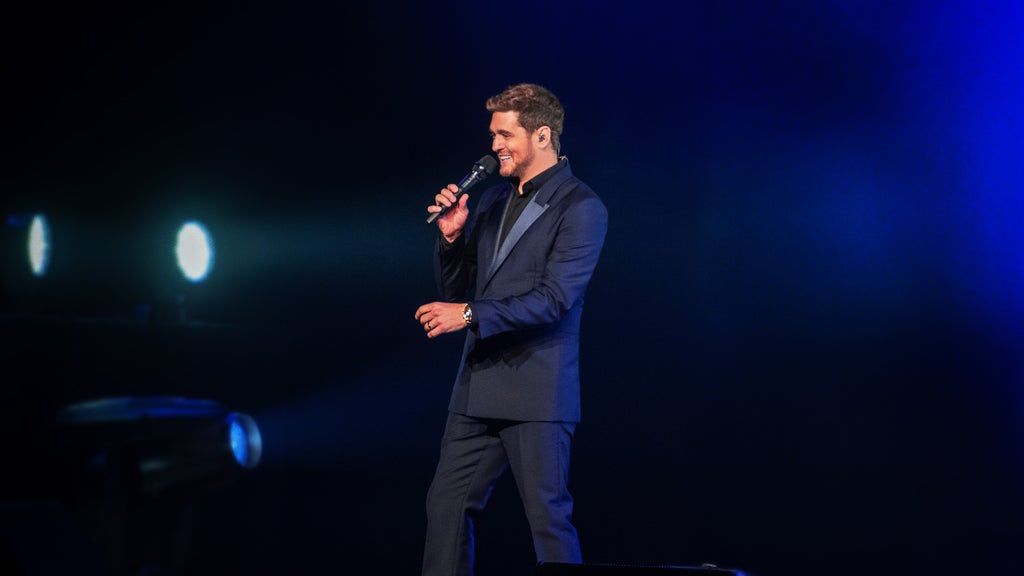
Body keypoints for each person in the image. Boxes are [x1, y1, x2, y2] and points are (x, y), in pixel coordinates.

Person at [415, 83, 608, 576]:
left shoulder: (580, 207)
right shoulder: (492, 201)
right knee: (446, 505)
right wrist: (452, 239)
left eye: (505, 135)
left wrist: (469, 316)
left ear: (542, 135)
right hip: (477, 386)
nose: (494, 145)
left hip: (535, 388)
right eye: (493, 135)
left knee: (548, 520)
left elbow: (554, 299)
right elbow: (461, 289)